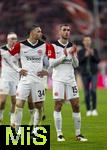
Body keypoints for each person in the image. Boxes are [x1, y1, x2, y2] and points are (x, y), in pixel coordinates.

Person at [3, 25, 49, 132]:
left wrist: (48, 70)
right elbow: (7, 57)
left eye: (41, 31)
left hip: (38, 80)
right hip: (25, 80)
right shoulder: (21, 45)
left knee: (38, 106)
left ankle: (36, 129)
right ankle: (18, 130)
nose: (40, 33)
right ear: (31, 33)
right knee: (19, 104)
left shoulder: (45, 46)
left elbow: (54, 58)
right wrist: (18, 70)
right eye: (38, 31)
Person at [48, 24, 88, 142]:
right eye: (64, 30)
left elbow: (76, 65)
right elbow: (51, 64)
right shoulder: (53, 46)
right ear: (59, 32)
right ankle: (59, 134)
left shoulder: (72, 46)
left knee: (76, 105)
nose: (67, 32)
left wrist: (73, 55)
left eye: (68, 30)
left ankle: (78, 134)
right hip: (58, 79)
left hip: (71, 80)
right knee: (58, 105)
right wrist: (64, 56)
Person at [78, 36, 100, 116]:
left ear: (90, 42)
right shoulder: (80, 51)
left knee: (93, 91)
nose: (87, 42)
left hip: (94, 73)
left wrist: (93, 55)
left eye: (88, 40)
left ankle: (94, 109)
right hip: (84, 74)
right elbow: (79, 62)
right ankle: (88, 110)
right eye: (86, 40)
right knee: (86, 92)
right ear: (83, 42)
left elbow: (98, 61)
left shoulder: (94, 50)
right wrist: (85, 56)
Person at [0, 32, 19, 126]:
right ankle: (1, 114)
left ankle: (12, 120)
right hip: (5, 78)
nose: (13, 40)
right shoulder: (2, 49)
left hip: (15, 79)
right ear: (7, 40)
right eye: (12, 39)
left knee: (14, 101)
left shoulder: (19, 51)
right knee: (2, 101)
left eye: (15, 39)